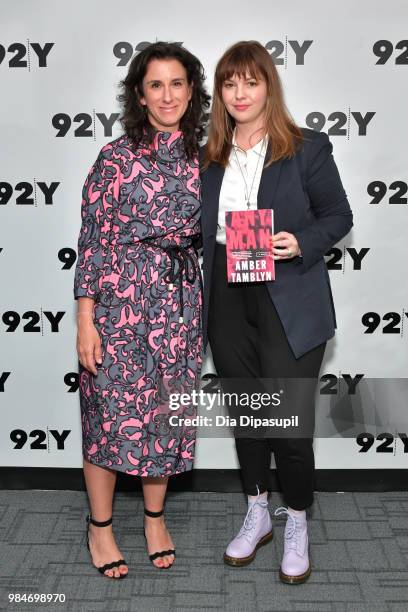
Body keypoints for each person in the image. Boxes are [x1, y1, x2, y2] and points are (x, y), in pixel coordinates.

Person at [201, 41, 353, 583]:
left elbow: (338, 215)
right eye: (229, 83)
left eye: (251, 81)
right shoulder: (209, 154)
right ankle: (257, 512)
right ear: (220, 92)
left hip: (288, 290)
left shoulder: (307, 147)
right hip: (226, 291)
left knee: (288, 424)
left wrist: (300, 242)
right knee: (248, 416)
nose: (240, 93)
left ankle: (297, 520)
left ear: (269, 85)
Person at [74, 42, 209, 578]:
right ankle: (100, 528)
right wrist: (85, 317)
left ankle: (155, 519)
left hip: (180, 304)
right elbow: (91, 241)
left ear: (192, 90)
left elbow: (226, 232)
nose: (168, 94)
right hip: (119, 302)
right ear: (139, 94)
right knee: (108, 413)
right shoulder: (114, 158)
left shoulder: (209, 158)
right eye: (156, 84)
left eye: (177, 83)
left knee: (164, 416)